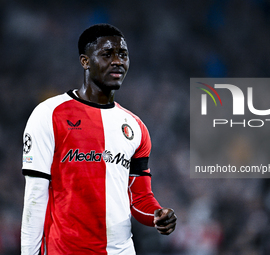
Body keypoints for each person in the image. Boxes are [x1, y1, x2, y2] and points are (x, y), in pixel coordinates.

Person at [21, 23, 177, 255]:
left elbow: (140, 197)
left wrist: (157, 215)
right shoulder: (49, 114)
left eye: (123, 55)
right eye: (107, 54)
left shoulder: (136, 127)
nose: (117, 61)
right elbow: (35, 195)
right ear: (85, 61)